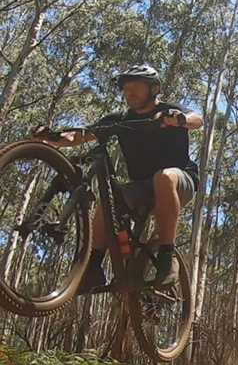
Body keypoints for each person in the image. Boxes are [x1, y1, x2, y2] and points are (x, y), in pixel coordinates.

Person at [31, 64, 203, 291]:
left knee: (164, 177)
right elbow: (78, 136)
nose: (129, 93)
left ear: (153, 89)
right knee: (108, 200)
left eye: (136, 88)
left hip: (180, 182)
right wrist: (51, 136)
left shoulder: (168, 110)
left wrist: (178, 119)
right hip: (141, 187)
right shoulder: (119, 120)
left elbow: (197, 120)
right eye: (125, 89)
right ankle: (93, 267)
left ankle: (166, 257)